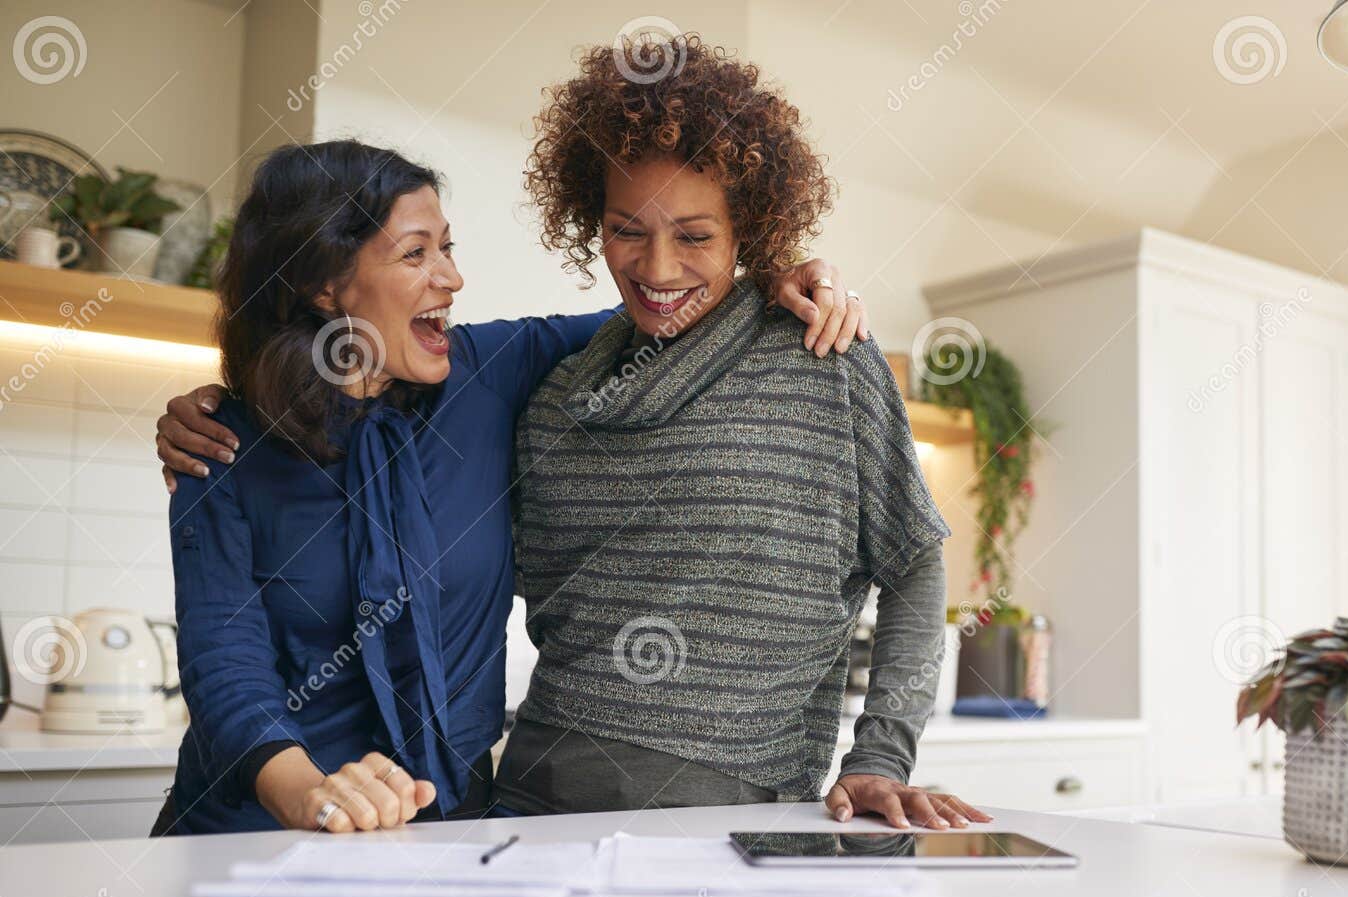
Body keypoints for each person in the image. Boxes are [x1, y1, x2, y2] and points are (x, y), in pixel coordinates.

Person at [153, 138, 863, 835]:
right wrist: (308, 792)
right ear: (324, 283)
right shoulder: (223, 447)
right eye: (415, 253)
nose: (451, 279)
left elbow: (668, 309)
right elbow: (223, 659)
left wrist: (769, 282)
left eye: (447, 248)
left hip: (446, 832)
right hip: (262, 828)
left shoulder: (484, 376)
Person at [492, 35, 990, 830]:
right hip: (529, 794)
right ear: (590, 218)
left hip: (730, 806)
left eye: (694, 236)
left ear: (750, 232)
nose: (656, 268)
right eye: (627, 230)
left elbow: (914, 568)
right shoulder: (555, 396)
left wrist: (880, 756)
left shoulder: (822, 358)